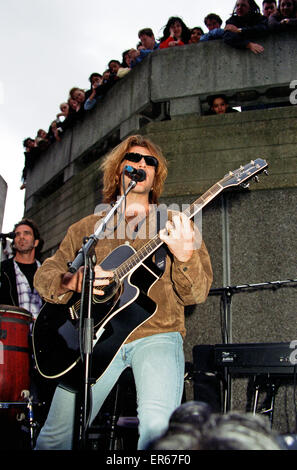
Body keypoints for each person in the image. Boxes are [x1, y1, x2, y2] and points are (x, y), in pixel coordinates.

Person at [33, 134, 213, 450]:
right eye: (133, 159)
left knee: (157, 433)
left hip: (156, 332)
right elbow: (46, 273)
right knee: (54, 437)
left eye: (150, 161)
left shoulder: (174, 223)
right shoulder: (87, 228)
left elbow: (197, 293)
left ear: (156, 175)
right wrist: (72, 282)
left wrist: (184, 257)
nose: (141, 164)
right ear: (119, 170)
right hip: (92, 339)